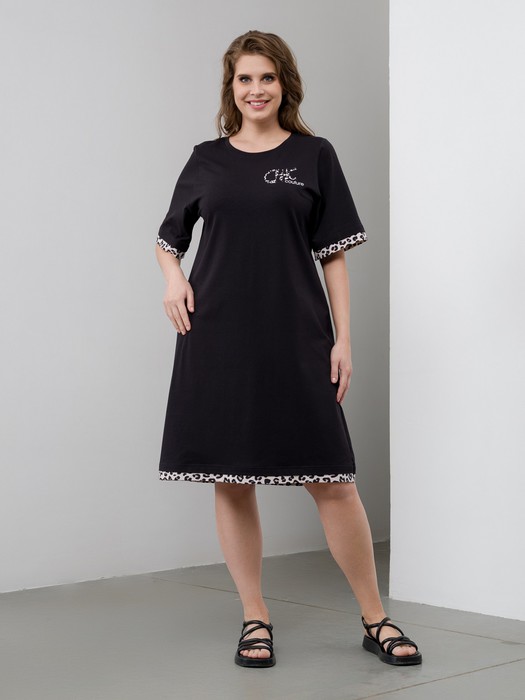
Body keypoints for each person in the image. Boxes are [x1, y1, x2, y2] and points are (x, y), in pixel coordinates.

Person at [155, 30, 422, 669]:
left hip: (298, 335)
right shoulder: (206, 159)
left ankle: (376, 618)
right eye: (244, 79)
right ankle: (255, 617)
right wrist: (173, 278)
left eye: (267, 78)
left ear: (285, 85)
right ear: (231, 88)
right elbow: (168, 238)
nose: (256, 90)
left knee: (333, 481)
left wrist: (344, 339)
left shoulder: (313, 155)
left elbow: (333, 257)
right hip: (218, 338)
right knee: (232, 479)